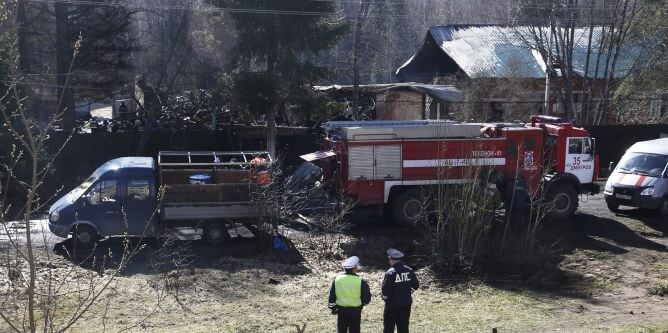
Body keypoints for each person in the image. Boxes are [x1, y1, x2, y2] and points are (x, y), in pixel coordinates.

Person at [328, 256, 371, 333]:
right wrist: (362, 304)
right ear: (354, 268)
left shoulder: (337, 279)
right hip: (355, 311)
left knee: (341, 330)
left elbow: (332, 295)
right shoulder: (360, 281)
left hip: (341, 311)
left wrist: (333, 308)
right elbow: (367, 297)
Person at [382, 248, 419, 333]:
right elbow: (416, 286)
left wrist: (384, 298)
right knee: (403, 327)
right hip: (406, 303)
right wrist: (409, 291)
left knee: (389, 327)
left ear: (391, 260)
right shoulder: (409, 270)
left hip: (392, 305)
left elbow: (385, 291)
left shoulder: (390, 272)